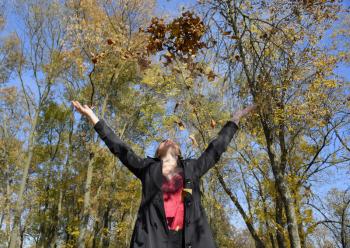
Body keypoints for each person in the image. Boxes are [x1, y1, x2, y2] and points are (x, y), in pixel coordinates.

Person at [71, 100, 256, 248]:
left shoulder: (192, 169)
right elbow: (119, 147)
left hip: (189, 239)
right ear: (158, 153)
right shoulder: (147, 168)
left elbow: (215, 149)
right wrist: (92, 116)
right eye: (162, 141)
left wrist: (234, 120)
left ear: (178, 151)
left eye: (171, 140)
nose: (167, 140)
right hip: (154, 239)